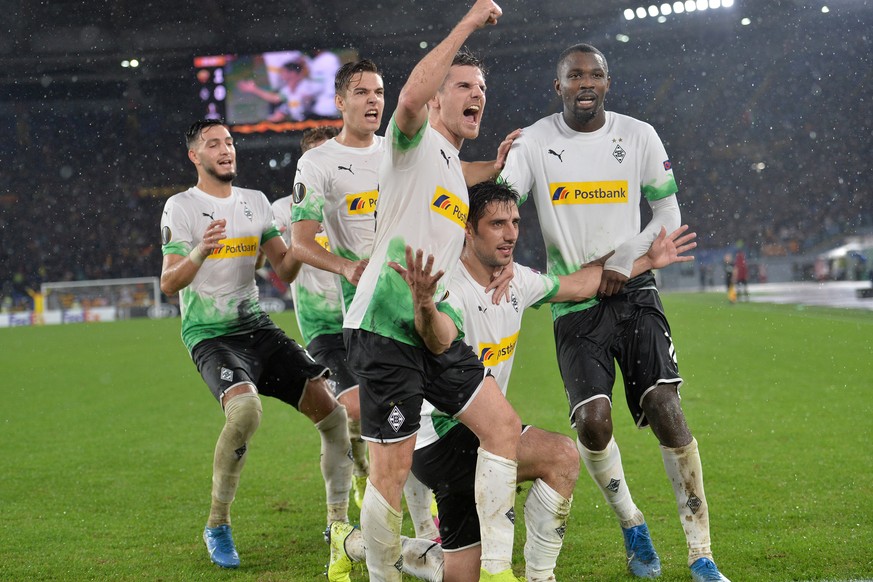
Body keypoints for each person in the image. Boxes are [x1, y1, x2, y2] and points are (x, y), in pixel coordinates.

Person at [384, 181, 696, 581]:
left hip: (477, 440)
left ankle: (367, 543)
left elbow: (580, 284)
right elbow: (440, 335)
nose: (511, 233)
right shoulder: (454, 287)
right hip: (446, 436)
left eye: (514, 222)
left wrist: (645, 262)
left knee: (461, 575)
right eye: (497, 224)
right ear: (468, 229)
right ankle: (539, 576)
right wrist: (424, 303)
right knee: (560, 456)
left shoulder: (517, 282)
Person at [500, 43, 731, 582]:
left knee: (668, 409)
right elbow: (501, 204)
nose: (586, 82)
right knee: (594, 422)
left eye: (596, 74)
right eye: (574, 75)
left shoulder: (638, 134)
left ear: (608, 82)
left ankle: (701, 554)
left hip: (636, 288)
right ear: (557, 87)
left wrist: (627, 257)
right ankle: (632, 523)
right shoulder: (534, 142)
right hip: (575, 302)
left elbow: (667, 211)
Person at [342, 2, 525, 580]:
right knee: (390, 473)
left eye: (483, 87)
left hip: (431, 322)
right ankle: (380, 573)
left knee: (501, 427)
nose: (479, 95)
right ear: (439, 98)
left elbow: (456, 174)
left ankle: (496, 569)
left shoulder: (448, 162)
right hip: (382, 326)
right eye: (465, 85)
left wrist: (491, 165)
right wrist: (468, 24)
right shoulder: (412, 139)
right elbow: (408, 101)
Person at [159, 119, 353, 569]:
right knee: (246, 411)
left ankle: (338, 523)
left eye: (228, 142)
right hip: (211, 335)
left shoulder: (255, 203)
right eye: (213, 144)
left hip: (257, 328)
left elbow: (284, 270)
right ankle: (217, 524)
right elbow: (170, 282)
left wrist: (299, 245)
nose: (225, 149)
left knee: (334, 414)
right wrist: (199, 252)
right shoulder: (181, 206)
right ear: (196, 156)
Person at [289, 62, 440, 543]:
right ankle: (359, 517)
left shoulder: (399, 148)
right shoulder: (318, 165)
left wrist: (495, 167)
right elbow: (297, 244)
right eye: (362, 92)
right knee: (367, 414)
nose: (375, 100)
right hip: (348, 322)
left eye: (379, 91)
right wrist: (347, 267)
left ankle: (422, 530)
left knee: (417, 421)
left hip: (406, 309)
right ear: (340, 102)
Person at [237, 57, 319, 122]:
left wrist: (254, 89)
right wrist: (253, 89)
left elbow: (308, 102)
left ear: (292, 73)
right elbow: (275, 98)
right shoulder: (287, 89)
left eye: (283, 72)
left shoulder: (307, 85)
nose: (280, 74)